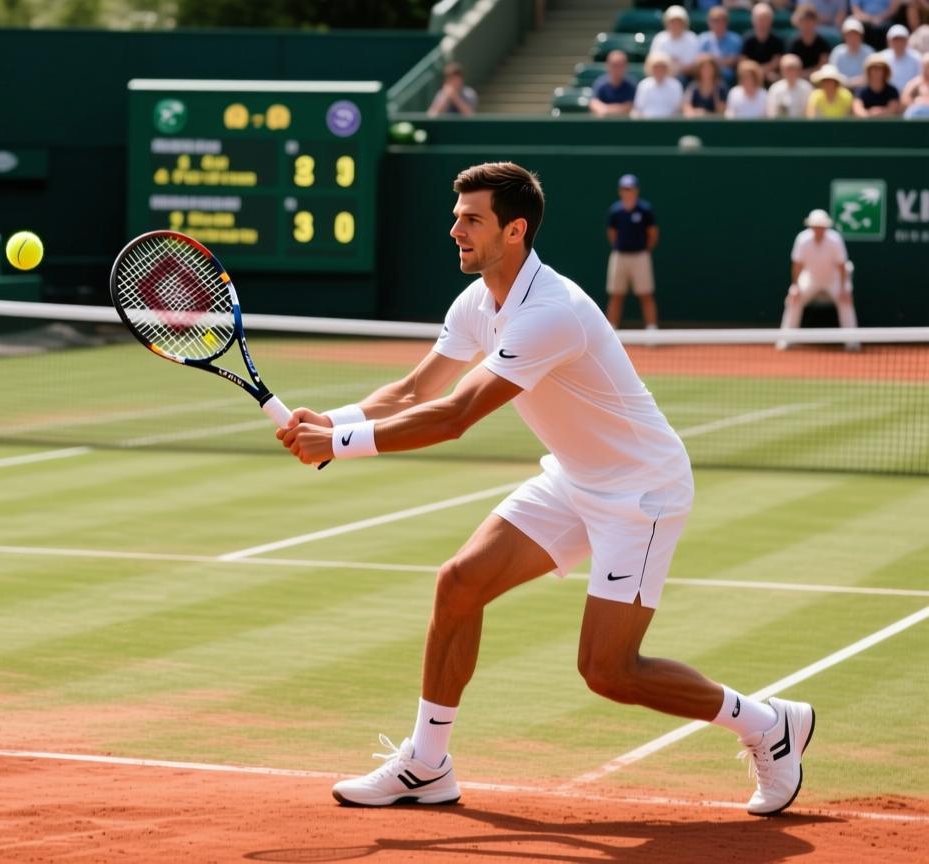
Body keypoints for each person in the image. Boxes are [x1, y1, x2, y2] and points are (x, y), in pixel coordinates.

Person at [277, 161, 816, 818]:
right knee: (460, 583)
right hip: (573, 477)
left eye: (471, 219)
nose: (454, 230)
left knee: (609, 671)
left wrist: (335, 446)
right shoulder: (477, 302)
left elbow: (454, 417)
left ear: (515, 230)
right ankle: (427, 764)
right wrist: (332, 421)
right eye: (456, 217)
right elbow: (414, 390)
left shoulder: (550, 313)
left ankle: (767, 725)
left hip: (640, 493)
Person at [777, 208, 859, 350]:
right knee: (793, 299)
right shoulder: (802, 239)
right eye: (816, 227)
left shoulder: (835, 240)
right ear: (811, 227)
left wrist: (844, 287)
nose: (818, 230)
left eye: (821, 227)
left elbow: (842, 266)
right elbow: (797, 266)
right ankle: (787, 339)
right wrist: (796, 287)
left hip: (834, 279)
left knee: (845, 301)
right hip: (810, 278)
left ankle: (852, 342)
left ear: (826, 227)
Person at [604, 174, 660, 330]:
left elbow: (653, 234)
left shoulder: (645, 210)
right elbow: (612, 234)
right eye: (624, 188)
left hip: (640, 257)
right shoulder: (615, 212)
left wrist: (644, 250)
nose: (627, 191)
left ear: (636, 190)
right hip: (620, 256)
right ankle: (611, 331)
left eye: (630, 188)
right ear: (620, 191)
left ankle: (652, 330)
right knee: (616, 295)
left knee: (646, 294)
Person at [650, 5, 702, 79]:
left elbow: (693, 66)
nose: (676, 25)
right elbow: (654, 62)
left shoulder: (691, 38)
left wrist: (673, 67)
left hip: (686, 77)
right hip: (662, 76)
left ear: (685, 23)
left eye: (679, 22)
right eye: (672, 22)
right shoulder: (660, 38)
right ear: (666, 23)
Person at [698, 5, 745, 84]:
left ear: (727, 22)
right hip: (706, 76)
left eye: (723, 20)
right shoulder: (703, 39)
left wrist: (712, 60)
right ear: (709, 22)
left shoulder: (735, 40)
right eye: (715, 20)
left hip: (728, 78)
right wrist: (723, 61)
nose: (719, 23)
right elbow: (700, 61)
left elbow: (734, 61)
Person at [742, 2, 787, 82]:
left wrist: (761, 71)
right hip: (751, 76)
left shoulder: (778, 40)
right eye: (759, 19)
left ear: (771, 20)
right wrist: (758, 73)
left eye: (765, 19)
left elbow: (776, 62)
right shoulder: (747, 39)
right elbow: (744, 62)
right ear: (753, 20)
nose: (762, 22)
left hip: (772, 75)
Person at [632, 52, 685, 117]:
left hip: (669, 124)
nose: (659, 70)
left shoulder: (675, 85)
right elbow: (638, 108)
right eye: (656, 67)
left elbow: (677, 109)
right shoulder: (644, 85)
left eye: (662, 67)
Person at [789, 4, 835, 75]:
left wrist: (805, 74)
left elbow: (823, 67)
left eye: (809, 22)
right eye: (804, 22)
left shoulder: (823, 44)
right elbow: (791, 68)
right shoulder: (793, 44)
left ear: (815, 23)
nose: (806, 26)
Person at [831, 17, 877, 87]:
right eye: (849, 34)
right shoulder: (837, 52)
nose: (852, 37)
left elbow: (873, 75)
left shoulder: (869, 52)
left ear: (861, 36)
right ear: (844, 36)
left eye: (855, 34)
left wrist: (852, 83)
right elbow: (833, 75)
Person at [590, 50, 637, 116]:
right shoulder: (600, 83)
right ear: (607, 65)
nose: (617, 69)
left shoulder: (631, 84)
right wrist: (618, 109)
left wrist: (606, 109)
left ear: (626, 66)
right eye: (614, 65)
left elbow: (631, 106)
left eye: (620, 65)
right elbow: (594, 104)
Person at [877, 24, 923, 89]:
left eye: (901, 39)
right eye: (895, 39)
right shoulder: (881, 58)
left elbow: (920, 79)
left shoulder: (917, 57)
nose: (898, 42)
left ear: (907, 40)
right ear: (888, 41)